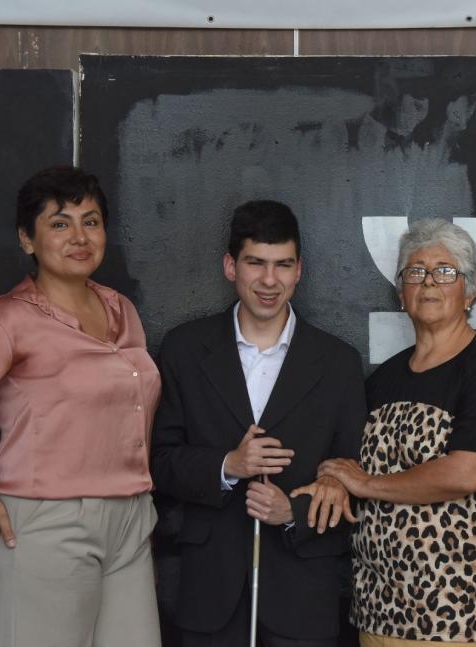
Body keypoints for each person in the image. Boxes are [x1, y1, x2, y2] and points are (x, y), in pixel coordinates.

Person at [0, 166, 162, 647]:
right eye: (60, 223)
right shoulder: (10, 320)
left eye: (91, 221)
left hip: (130, 521)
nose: (79, 236)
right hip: (46, 524)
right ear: (28, 239)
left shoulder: (121, 309)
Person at [150, 200, 366, 647]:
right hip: (211, 593)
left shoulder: (339, 362)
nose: (270, 281)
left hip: (303, 597)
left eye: (283, 265)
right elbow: (160, 462)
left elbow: (355, 475)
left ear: (299, 270)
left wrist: (295, 513)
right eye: (256, 263)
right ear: (231, 266)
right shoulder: (185, 349)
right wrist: (228, 464)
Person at [319, 218, 476, 646]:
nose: (429, 282)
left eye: (446, 271)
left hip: (472, 614)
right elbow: (348, 457)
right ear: (401, 294)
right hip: (382, 610)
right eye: (416, 272)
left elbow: (466, 472)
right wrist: (333, 478)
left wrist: (367, 484)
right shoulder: (383, 380)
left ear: (470, 292)